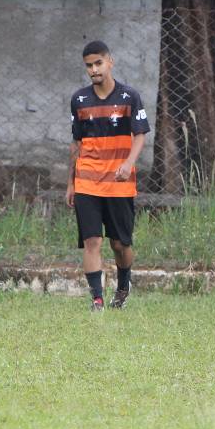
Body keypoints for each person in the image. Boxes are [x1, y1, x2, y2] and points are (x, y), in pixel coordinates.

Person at [66, 41, 151, 311]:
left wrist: (128, 163)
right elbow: (76, 143)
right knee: (92, 241)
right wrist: (71, 183)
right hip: (87, 181)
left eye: (98, 63)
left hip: (118, 183)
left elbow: (140, 135)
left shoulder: (129, 97)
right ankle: (97, 300)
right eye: (89, 66)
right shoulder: (79, 100)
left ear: (110, 62)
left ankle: (123, 285)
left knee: (120, 244)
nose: (94, 69)